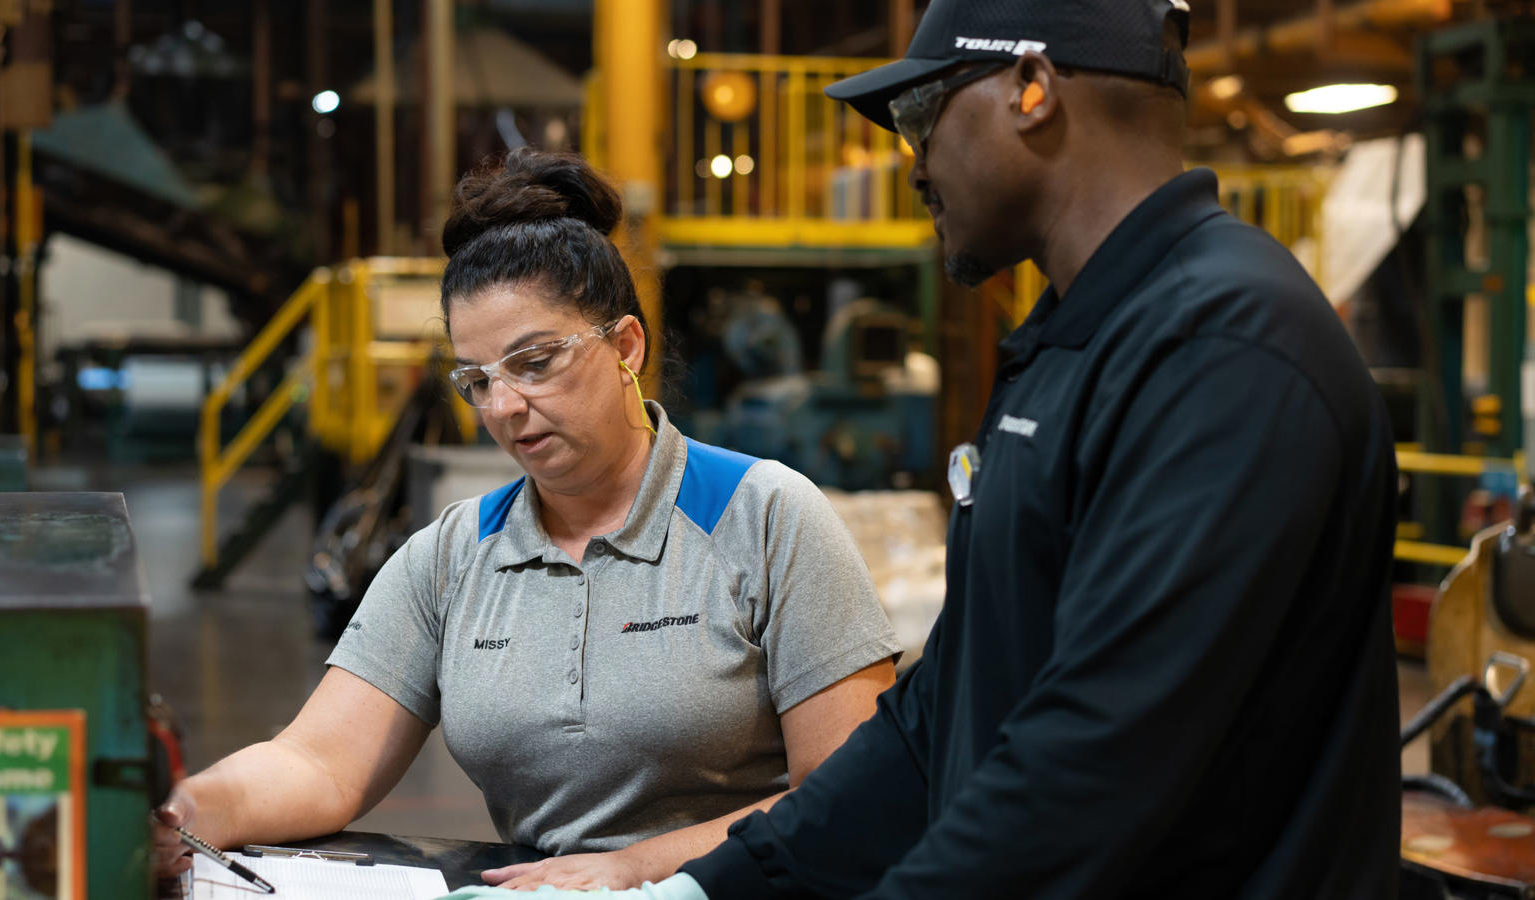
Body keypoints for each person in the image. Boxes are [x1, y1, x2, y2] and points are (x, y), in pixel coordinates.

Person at [453, 1, 1401, 898]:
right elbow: (934, 720)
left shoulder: (1224, 349)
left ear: (1032, 88)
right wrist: (702, 884)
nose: (910, 163)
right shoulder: (1069, 348)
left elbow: (1098, 759)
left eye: (920, 111)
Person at [152, 147, 900, 891]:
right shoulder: (453, 555)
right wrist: (186, 809)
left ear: (625, 347)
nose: (504, 407)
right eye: (477, 380)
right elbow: (317, 762)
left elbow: (847, 795)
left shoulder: (765, 518)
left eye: (535, 361)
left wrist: (636, 871)